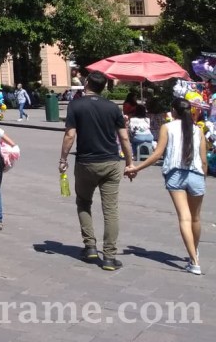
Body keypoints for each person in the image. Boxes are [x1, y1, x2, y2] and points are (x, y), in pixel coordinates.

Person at [59, 70, 134, 270]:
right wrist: (130, 162)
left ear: (86, 84)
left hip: (85, 163)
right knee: (110, 210)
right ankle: (109, 257)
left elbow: (69, 135)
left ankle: (90, 247)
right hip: (110, 162)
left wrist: (63, 159)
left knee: (83, 202)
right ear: (103, 88)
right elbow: (124, 138)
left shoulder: (76, 105)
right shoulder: (112, 108)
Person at [126, 98, 208, 274]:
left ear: (174, 111)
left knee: (184, 218)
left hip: (175, 175)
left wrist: (136, 168)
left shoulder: (167, 128)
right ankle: (195, 251)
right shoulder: (198, 130)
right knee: (195, 218)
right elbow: (203, 159)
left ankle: (194, 261)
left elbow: (157, 154)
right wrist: (204, 176)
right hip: (196, 175)